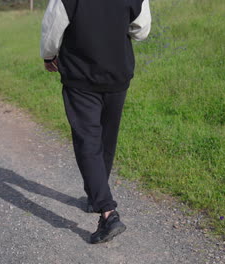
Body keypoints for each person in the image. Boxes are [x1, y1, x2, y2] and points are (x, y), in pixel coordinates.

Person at [40, 0, 151, 244]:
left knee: (88, 141)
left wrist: (48, 56)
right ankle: (96, 196)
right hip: (117, 74)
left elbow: (53, 29)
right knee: (106, 138)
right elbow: (141, 30)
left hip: (81, 77)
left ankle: (107, 212)